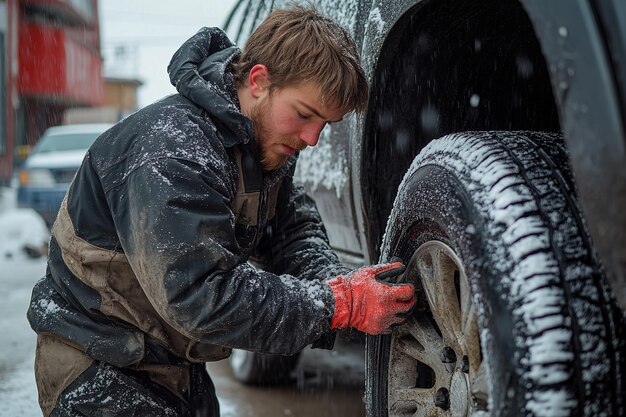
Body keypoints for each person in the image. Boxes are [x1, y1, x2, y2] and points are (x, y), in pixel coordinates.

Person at [27, 5, 417, 416]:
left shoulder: (257, 145)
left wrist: (333, 282)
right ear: (259, 80)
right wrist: (337, 304)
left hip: (170, 361)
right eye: (304, 115)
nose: (312, 138)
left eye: (324, 124)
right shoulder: (174, 151)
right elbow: (202, 295)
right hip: (96, 363)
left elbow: (289, 228)